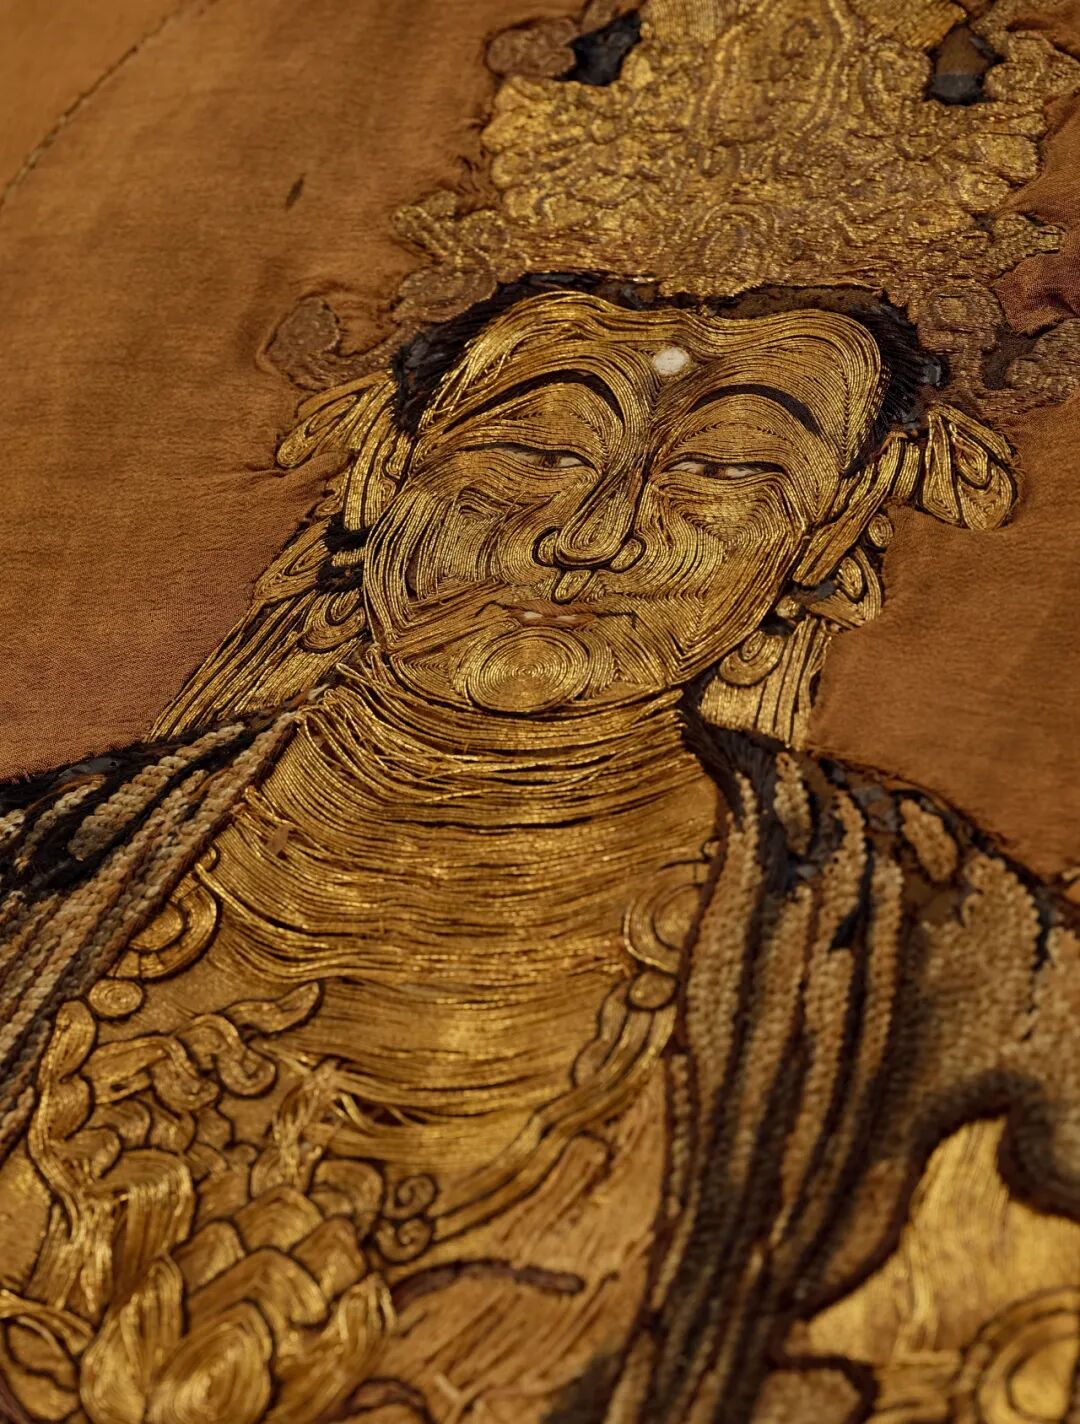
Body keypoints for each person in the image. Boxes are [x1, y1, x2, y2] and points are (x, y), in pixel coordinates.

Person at [0, 280, 1074, 1424]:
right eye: (533, 449)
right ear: (382, 471)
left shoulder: (934, 943)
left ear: (825, 540)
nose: (592, 536)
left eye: (725, 472)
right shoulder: (37, 871)